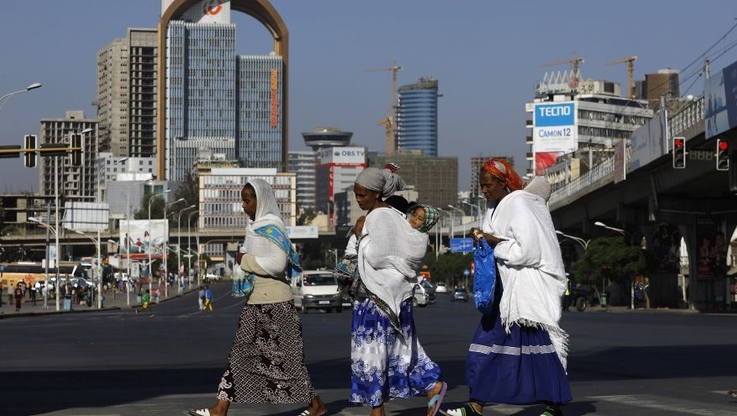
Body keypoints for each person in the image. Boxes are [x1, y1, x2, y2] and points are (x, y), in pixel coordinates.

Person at [187, 178, 326, 416]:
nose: (243, 205)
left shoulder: (272, 227)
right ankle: (220, 408)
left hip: (276, 303)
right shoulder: (254, 227)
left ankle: (317, 405)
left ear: (260, 201)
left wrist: (245, 261)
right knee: (239, 355)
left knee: (288, 359)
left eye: (247, 200)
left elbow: (277, 264)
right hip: (255, 302)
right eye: (242, 200)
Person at [445, 160, 571, 416]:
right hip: (503, 291)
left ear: (503, 182)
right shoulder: (494, 207)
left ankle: (553, 406)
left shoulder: (519, 204)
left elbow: (529, 251)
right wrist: (484, 239)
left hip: (525, 292)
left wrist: (493, 242)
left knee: (540, 354)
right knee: (483, 349)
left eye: (488, 185)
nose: (484, 191)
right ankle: (475, 404)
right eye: (481, 186)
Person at [351, 167, 447, 416]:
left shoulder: (377, 217)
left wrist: (361, 238)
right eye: (356, 194)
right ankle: (431, 384)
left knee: (372, 351)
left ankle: (377, 408)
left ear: (375, 193)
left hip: (377, 297)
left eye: (362, 195)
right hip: (396, 297)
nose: (358, 199)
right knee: (402, 348)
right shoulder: (395, 215)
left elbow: (379, 255)